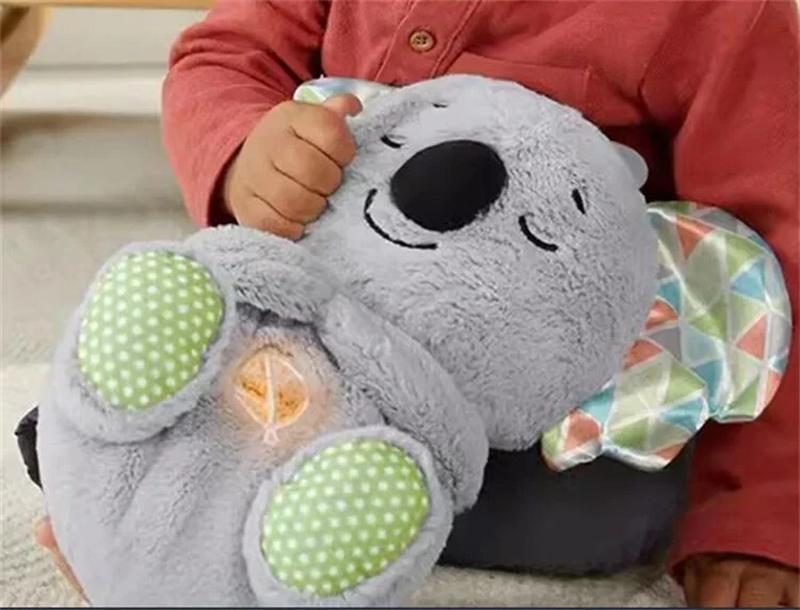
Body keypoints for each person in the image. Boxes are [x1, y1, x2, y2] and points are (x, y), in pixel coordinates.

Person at [37, 1, 800, 606]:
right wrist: (244, 154)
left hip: (524, 414)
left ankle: (238, 521)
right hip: (316, 329)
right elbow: (223, 55)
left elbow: (778, 249)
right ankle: (156, 507)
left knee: (604, 517)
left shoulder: (720, 18)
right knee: (160, 357)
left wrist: (759, 512)